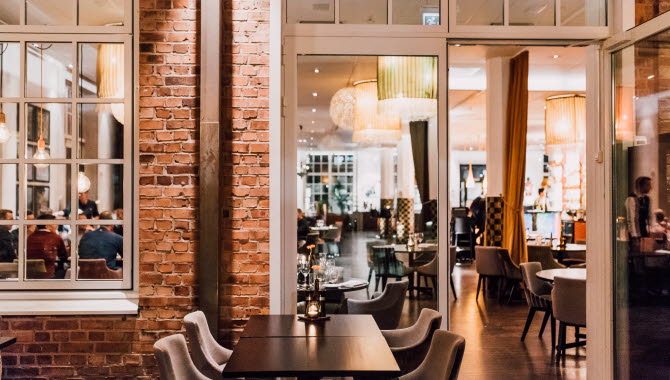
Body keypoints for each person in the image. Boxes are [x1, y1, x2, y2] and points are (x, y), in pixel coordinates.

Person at [26, 214, 68, 279]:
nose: (57, 226)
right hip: (48, 275)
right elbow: (63, 256)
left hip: (29, 275)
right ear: (47, 226)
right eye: (54, 224)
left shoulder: (30, 237)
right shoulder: (55, 237)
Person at [626, 176, 652, 247]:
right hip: (635, 234)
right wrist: (634, 236)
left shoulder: (647, 199)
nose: (650, 188)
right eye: (648, 185)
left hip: (644, 232)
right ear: (641, 185)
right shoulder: (631, 198)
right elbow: (631, 219)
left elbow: (648, 217)